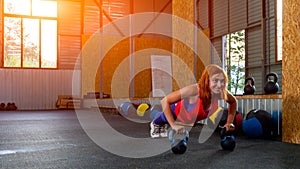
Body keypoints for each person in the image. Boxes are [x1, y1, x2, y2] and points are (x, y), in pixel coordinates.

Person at [150, 64, 237, 138]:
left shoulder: (221, 92)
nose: (219, 85)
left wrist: (229, 122)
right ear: (207, 81)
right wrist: (173, 125)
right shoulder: (194, 90)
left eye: (222, 81)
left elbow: (233, 102)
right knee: (162, 117)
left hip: (189, 118)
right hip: (176, 111)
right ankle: (154, 121)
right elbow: (165, 101)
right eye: (215, 80)